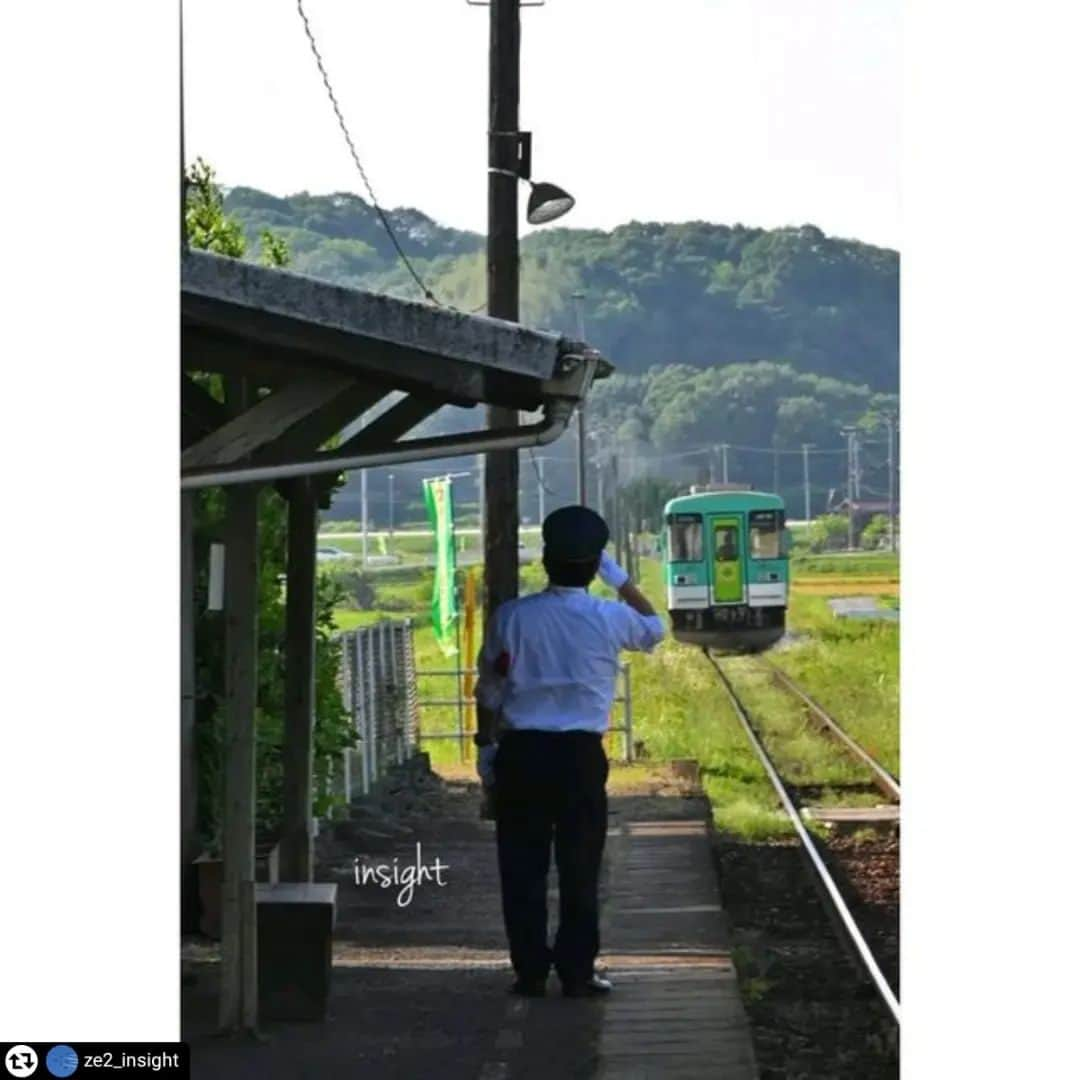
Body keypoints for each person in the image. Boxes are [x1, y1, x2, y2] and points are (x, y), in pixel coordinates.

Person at [473, 506, 665, 998]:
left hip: (521, 754)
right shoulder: (609, 617)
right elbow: (654, 627)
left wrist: (486, 747)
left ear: (545, 560)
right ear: (594, 564)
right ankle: (577, 972)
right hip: (580, 758)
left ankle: (530, 971)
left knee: (522, 867)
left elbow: (489, 690)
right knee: (580, 865)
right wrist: (619, 578)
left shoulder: (511, 617)